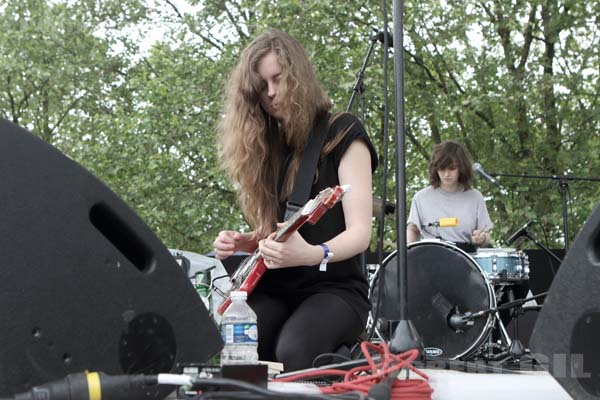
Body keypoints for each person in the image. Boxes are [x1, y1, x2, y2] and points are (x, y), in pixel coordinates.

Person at [212, 29, 378, 372]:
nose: (271, 93)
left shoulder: (343, 133)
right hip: (277, 286)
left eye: (278, 79)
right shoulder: (265, 147)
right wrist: (245, 242)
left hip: (335, 287)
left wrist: (312, 254)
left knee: (296, 350)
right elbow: (276, 233)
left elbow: (361, 234)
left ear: (298, 77)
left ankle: (348, 359)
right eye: (261, 86)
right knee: (239, 344)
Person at [406, 140, 492, 253]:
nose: (446, 174)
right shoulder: (421, 197)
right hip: (430, 257)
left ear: (461, 168)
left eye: (452, 168)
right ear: (435, 168)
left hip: (466, 259)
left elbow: (486, 234)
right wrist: (411, 254)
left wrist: (482, 238)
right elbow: (412, 230)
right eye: (442, 169)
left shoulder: (475, 197)